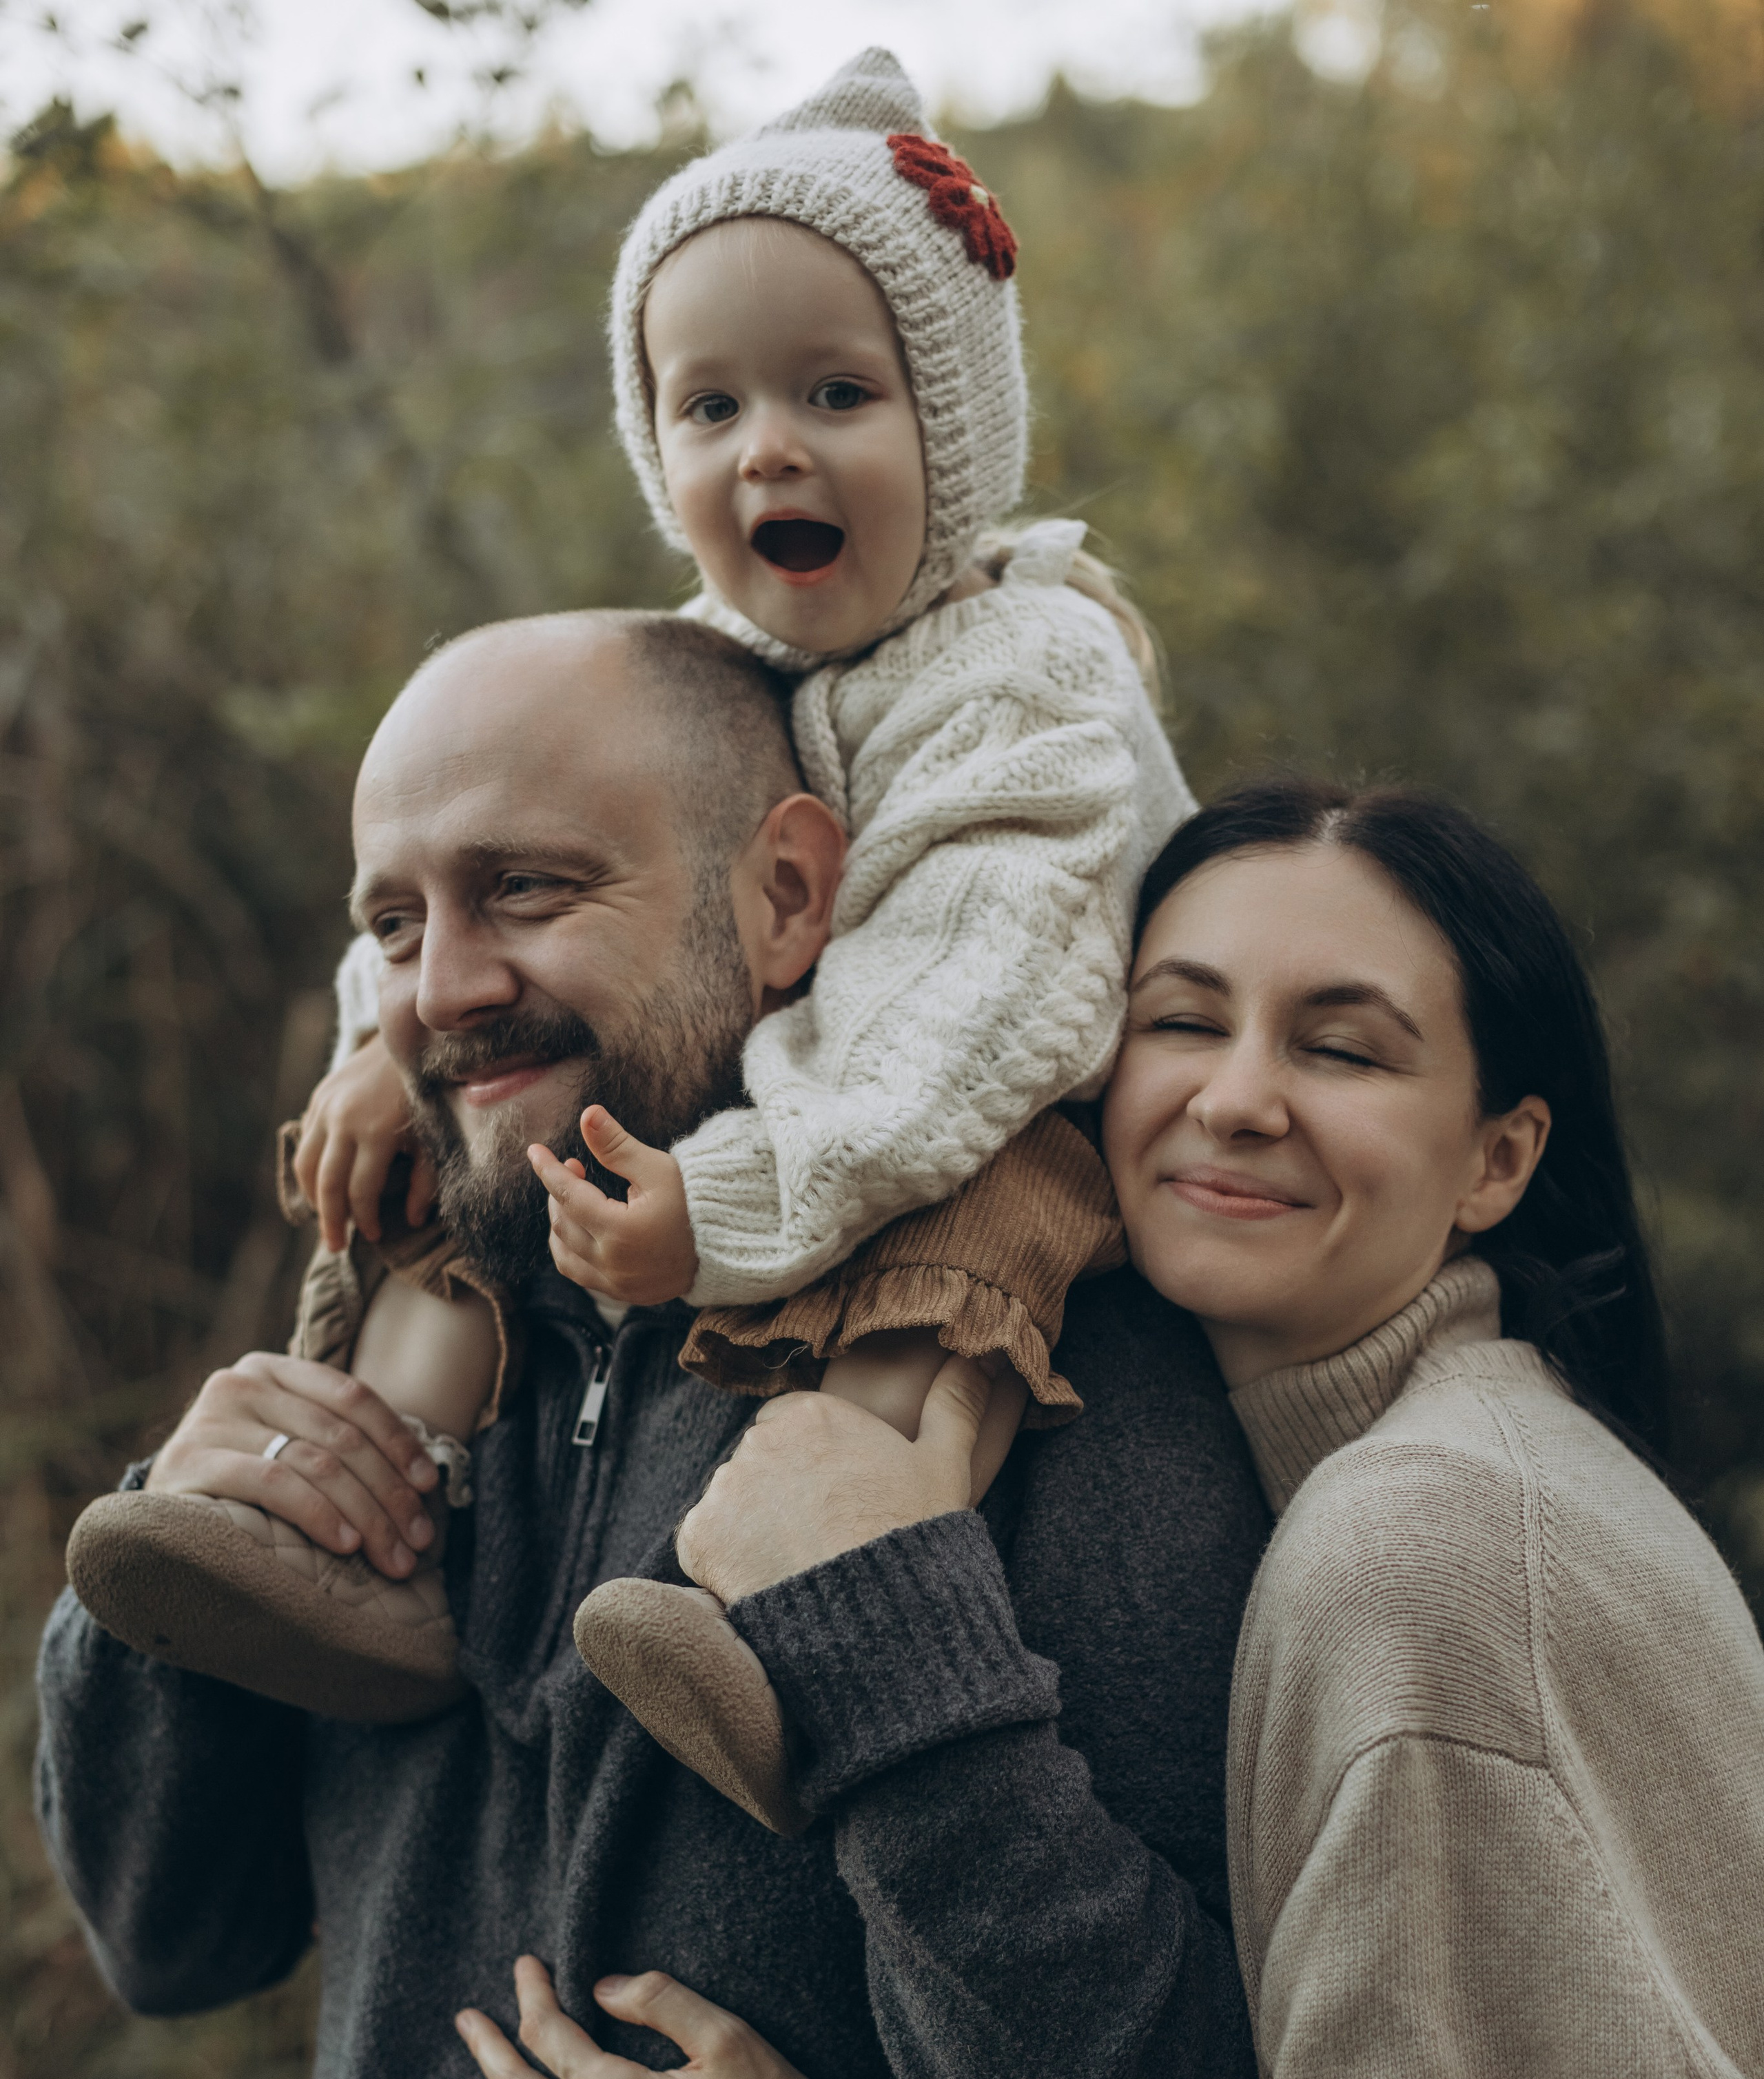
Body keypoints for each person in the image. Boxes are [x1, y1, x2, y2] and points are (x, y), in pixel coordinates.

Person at [38, 611, 1275, 2079]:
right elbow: (167, 1940)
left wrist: (894, 1656)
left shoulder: (1054, 1402)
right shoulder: (435, 1318)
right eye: (396, 918)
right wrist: (177, 1568)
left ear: (791, 894)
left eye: (528, 891)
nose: (444, 987)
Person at [439, 781, 1764, 2079]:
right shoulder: (1393, 1496)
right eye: (1184, 1019)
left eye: (1345, 1046)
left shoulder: (1438, 1560)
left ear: (1498, 1159)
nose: (1236, 1095)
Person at [75, 45, 1192, 1827]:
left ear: (955, 420)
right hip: (802, 1119)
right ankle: (377, 1514)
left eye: (837, 391)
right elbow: (500, 864)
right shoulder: (711, 667)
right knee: (470, 1158)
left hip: (1001, 1096)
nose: (770, 451)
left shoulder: (1027, 677)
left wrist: (737, 1197)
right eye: (708, 408)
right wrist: (384, 1046)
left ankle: (806, 1591)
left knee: (967, 1243)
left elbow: (975, 999)